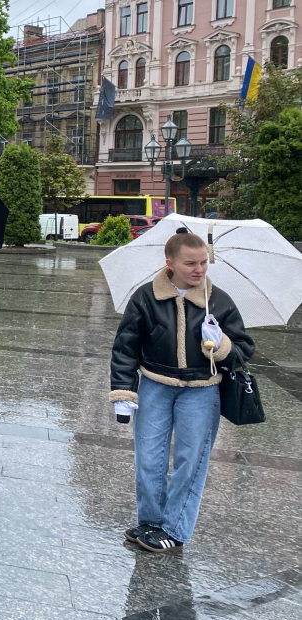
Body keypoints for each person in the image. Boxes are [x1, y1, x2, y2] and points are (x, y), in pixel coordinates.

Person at [110, 229, 254, 552]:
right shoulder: (145, 297)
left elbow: (244, 349)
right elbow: (125, 347)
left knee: (191, 462)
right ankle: (150, 522)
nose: (199, 270)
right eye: (191, 263)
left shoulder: (219, 301)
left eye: (204, 262)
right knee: (149, 458)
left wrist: (222, 345)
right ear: (170, 263)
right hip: (155, 387)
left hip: (202, 392)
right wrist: (123, 391)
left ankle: (174, 530)